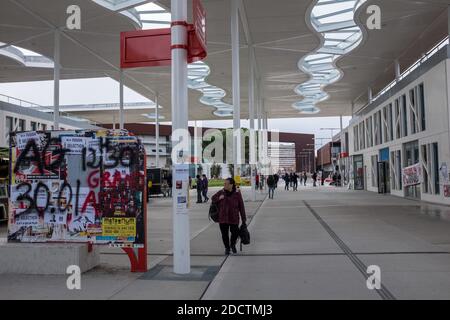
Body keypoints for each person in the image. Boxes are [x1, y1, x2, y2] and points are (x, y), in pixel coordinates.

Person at [211, 178, 247, 255]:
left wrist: (244, 219)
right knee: (224, 235)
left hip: (234, 217)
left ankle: (232, 244)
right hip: (223, 218)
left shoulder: (237, 193)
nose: (225, 185)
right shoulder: (221, 192)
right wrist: (219, 198)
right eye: (224, 183)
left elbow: (241, 206)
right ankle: (227, 248)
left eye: (226, 184)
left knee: (235, 233)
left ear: (231, 185)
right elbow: (213, 198)